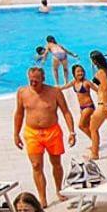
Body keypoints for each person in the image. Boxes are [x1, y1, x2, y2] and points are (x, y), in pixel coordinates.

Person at [12, 65, 76, 203]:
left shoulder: (55, 92)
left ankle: (59, 190)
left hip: (52, 131)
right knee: (36, 165)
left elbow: (66, 112)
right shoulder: (22, 92)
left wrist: (72, 132)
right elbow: (19, 113)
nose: (33, 83)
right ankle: (42, 197)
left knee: (56, 163)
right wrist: (16, 134)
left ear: (43, 78)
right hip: (32, 133)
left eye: (36, 80)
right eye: (31, 80)